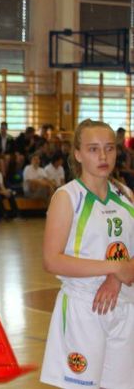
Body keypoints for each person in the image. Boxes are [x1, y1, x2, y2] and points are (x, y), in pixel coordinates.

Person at [40, 119, 134, 389]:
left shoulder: (126, 194)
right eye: (93, 149)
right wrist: (114, 268)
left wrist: (116, 277)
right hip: (84, 307)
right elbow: (52, 260)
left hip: (125, 303)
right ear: (78, 154)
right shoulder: (67, 197)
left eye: (109, 148)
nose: (103, 156)